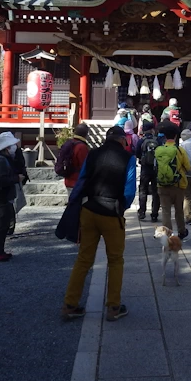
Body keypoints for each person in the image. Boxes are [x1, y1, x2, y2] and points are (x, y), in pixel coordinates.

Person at [61, 126, 136, 322]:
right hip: (112, 213)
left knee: (84, 259)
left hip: (89, 210)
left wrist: (74, 204)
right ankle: (113, 307)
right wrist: (121, 208)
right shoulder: (128, 158)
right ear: (122, 141)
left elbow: (82, 180)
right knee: (116, 260)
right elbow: (129, 191)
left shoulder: (93, 154)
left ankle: (70, 304)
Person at [0, 132, 24, 262]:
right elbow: (2, 180)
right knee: (1, 225)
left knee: (3, 224)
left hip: (4, 197)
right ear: (6, 147)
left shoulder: (4, 159)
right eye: (12, 145)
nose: (14, 147)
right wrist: (16, 178)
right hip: (2, 197)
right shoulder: (1, 161)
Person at [155, 123, 191, 238]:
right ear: (176, 136)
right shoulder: (179, 151)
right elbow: (188, 167)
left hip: (162, 185)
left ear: (164, 136)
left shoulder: (158, 150)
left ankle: (168, 234)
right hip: (178, 184)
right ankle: (181, 231)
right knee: (178, 210)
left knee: (165, 211)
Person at [136, 122, 160, 222]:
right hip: (156, 169)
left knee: (143, 190)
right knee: (156, 192)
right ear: (152, 130)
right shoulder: (157, 140)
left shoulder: (141, 141)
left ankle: (142, 212)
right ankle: (154, 214)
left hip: (145, 169)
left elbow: (137, 153)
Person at [60, 124, 90, 200]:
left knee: (72, 204)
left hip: (68, 179)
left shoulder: (68, 143)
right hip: (78, 181)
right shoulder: (81, 147)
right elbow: (84, 165)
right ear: (86, 134)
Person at [8, 145, 31, 235]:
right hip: (15, 178)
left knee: (9, 203)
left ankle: (9, 226)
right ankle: (10, 226)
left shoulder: (2, 152)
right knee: (11, 203)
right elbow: (21, 164)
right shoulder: (16, 150)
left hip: (14, 178)